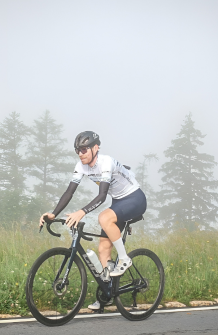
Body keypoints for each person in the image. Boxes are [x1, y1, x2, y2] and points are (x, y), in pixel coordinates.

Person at [39, 131, 147, 310]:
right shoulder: (81, 166)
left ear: (95, 148)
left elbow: (102, 196)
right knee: (103, 249)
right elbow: (69, 192)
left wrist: (81, 212)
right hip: (119, 201)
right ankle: (108, 294)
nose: (80, 154)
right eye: (77, 151)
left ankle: (124, 259)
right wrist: (53, 213)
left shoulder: (106, 162)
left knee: (103, 217)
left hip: (135, 199)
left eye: (84, 149)